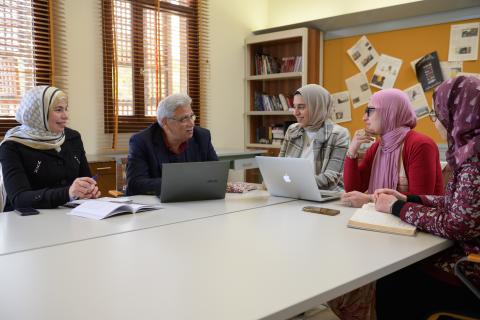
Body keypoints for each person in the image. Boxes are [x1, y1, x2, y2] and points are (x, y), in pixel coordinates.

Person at [374, 76, 480, 318]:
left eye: (437, 115)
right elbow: (461, 205)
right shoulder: (471, 152)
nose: (436, 122)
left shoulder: (475, 162)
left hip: (471, 270)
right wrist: (409, 198)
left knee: (392, 278)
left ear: (458, 114)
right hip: (469, 258)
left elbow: (458, 224)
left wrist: (397, 207)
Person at [0, 86, 99, 211]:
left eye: (66, 109)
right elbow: (19, 199)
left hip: (70, 216)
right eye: (58, 110)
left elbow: (86, 179)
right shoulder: (12, 145)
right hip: (28, 222)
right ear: (37, 113)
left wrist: (89, 190)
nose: (66, 116)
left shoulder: (73, 137)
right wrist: (68, 193)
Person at [342, 88, 444, 208]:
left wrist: (370, 199)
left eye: (370, 111)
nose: (364, 117)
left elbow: (420, 200)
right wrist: (352, 151)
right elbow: (353, 190)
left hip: (418, 224)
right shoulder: (377, 147)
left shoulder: (420, 145)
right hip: (385, 219)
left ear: (390, 112)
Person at [126, 93, 218, 196]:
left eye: (191, 116)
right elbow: (135, 184)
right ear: (165, 122)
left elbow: (216, 174)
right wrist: (179, 183)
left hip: (193, 203)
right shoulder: (141, 142)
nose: (191, 123)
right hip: (157, 205)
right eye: (184, 119)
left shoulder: (202, 136)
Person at [279, 84, 349, 190]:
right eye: (294, 106)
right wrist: (272, 179)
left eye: (301, 107)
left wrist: (293, 183)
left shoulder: (339, 134)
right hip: (291, 193)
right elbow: (279, 166)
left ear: (317, 107)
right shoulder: (292, 130)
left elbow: (332, 178)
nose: (296, 113)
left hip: (324, 197)